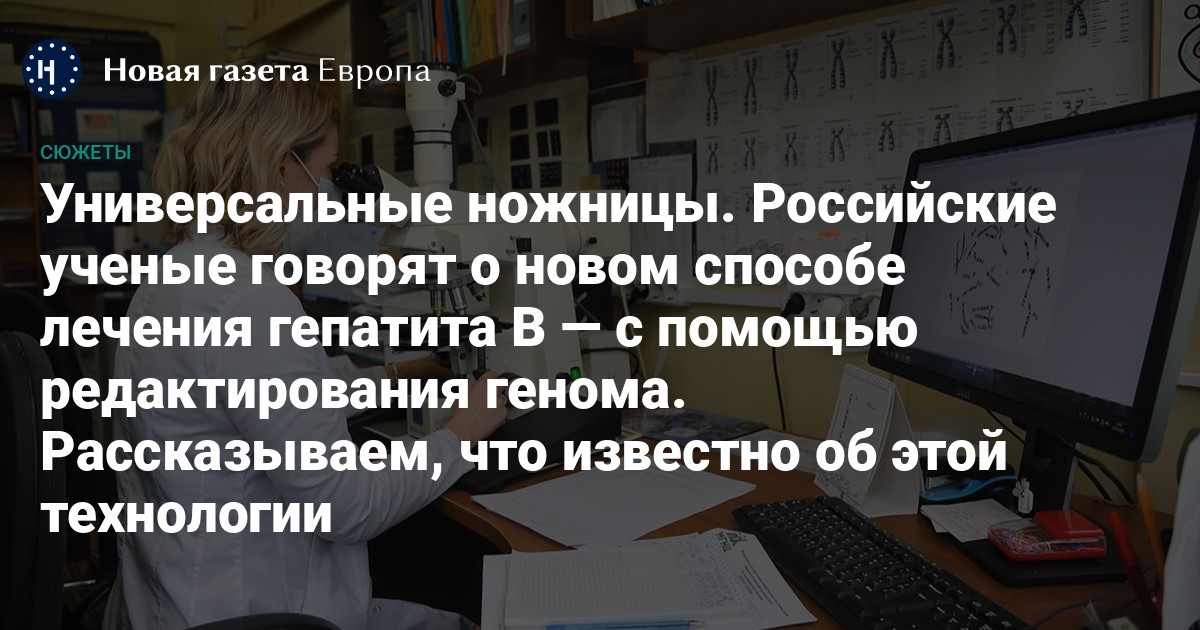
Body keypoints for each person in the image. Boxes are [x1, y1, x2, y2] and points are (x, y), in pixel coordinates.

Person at [102, 73, 506, 630]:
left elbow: (258, 406)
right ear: (280, 166)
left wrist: (396, 375)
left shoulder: (173, 277)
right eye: (328, 168)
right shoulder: (251, 301)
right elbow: (349, 507)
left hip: (174, 603)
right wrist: (462, 433)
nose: (330, 189)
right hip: (263, 613)